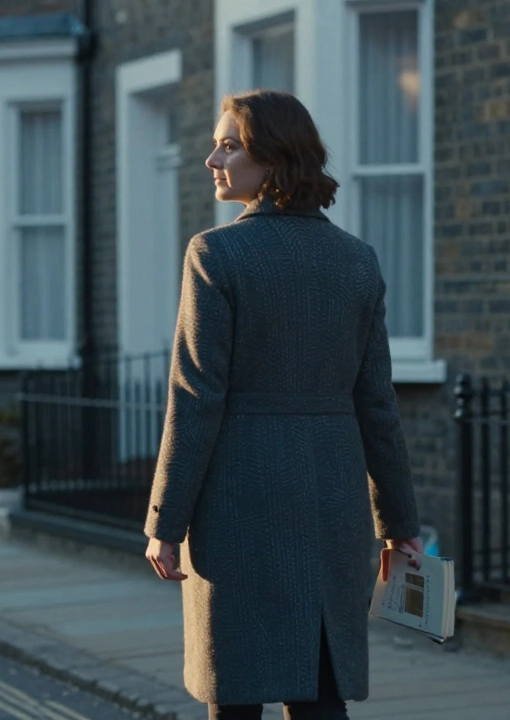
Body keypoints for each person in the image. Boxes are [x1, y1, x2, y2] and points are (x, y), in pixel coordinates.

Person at [142, 90, 424, 720]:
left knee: (236, 696)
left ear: (271, 158)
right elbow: (377, 404)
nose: (212, 157)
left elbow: (196, 396)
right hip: (333, 503)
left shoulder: (216, 253)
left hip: (238, 505)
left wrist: (166, 521)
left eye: (229, 144)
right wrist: (399, 521)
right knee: (320, 694)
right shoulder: (358, 260)